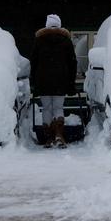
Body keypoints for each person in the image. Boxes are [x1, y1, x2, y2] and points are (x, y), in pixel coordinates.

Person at [30, 14, 77, 148]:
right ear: (59, 24)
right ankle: (59, 135)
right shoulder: (66, 41)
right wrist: (71, 83)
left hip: (43, 81)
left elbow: (34, 62)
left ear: (47, 25)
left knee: (46, 108)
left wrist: (34, 82)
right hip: (61, 81)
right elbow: (72, 63)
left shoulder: (39, 40)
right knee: (58, 107)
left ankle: (49, 137)